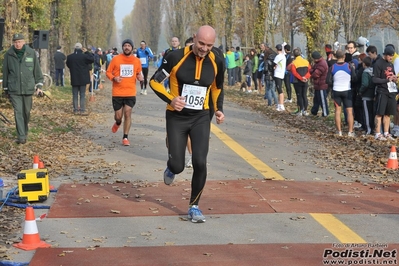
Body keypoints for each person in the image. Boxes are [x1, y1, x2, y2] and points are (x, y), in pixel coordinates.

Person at [149, 25, 225, 223]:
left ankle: (194, 206)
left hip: (201, 117)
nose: (204, 48)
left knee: (200, 161)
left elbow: (217, 87)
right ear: (193, 38)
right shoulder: (175, 57)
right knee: (178, 166)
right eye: (201, 43)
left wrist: (218, 109)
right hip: (176, 116)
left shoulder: (217, 60)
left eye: (209, 45)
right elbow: (155, 82)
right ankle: (171, 165)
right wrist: (170, 99)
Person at [2, 33, 44, 144]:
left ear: (24, 42)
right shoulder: (9, 54)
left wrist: (39, 86)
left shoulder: (31, 53)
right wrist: (5, 89)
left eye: (19, 42)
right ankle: (21, 136)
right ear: (13, 43)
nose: (17, 44)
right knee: (18, 112)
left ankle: (24, 132)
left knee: (26, 112)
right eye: (15, 42)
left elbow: (37, 71)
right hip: (14, 88)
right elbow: (5, 72)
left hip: (28, 88)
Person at [106, 39, 144, 146]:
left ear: (132, 47)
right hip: (117, 92)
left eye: (129, 45)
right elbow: (108, 72)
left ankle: (125, 137)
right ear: (122, 47)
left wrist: (140, 77)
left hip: (130, 92)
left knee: (127, 113)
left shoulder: (136, 61)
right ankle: (118, 123)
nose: (127, 47)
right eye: (125, 45)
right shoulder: (116, 59)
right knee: (118, 116)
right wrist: (114, 78)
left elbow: (139, 74)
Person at [326, 50, 356, 137]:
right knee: (350, 112)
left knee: (337, 111)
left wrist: (334, 83)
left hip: (336, 90)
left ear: (335, 56)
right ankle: (350, 132)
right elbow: (354, 78)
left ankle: (339, 131)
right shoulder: (349, 66)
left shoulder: (332, 67)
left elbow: (327, 80)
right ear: (344, 56)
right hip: (347, 90)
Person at [372, 46, 397, 141]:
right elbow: (374, 79)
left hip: (391, 91)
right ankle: (378, 133)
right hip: (382, 91)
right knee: (379, 113)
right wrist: (386, 80)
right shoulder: (378, 64)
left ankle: (386, 133)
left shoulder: (390, 64)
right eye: (390, 56)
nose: (391, 58)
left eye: (392, 56)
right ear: (385, 55)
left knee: (388, 113)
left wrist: (394, 78)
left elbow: (392, 75)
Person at [66, 42, 94, 116]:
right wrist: (87, 52)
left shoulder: (70, 57)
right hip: (83, 78)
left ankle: (75, 109)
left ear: (74, 48)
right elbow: (92, 59)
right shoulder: (84, 56)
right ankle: (82, 109)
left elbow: (68, 65)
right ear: (81, 48)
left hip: (74, 77)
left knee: (75, 94)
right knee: (82, 94)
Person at [289, 48, 311, 116]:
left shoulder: (294, 63)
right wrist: (305, 77)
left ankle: (300, 110)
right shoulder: (306, 61)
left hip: (297, 81)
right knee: (304, 95)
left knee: (299, 95)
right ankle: (305, 110)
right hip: (305, 81)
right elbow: (310, 71)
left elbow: (294, 72)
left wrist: (301, 78)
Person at [358, 56, 375, 136]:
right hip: (373, 94)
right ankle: (373, 128)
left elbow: (365, 84)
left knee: (367, 113)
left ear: (364, 64)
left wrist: (360, 91)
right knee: (371, 113)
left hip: (366, 95)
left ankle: (368, 129)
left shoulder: (365, 72)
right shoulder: (373, 71)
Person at [310, 51, 329, 117]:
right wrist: (312, 71)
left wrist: (312, 72)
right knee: (316, 99)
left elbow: (316, 74)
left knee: (322, 100)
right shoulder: (317, 63)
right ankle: (314, 111)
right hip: (318, 84)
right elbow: (312, 70)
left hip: (321, 84)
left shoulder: (322, 63)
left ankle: (325, 113)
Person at [273, 44, 286, 111]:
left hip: (277, 74)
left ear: (277, 49)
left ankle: (281, 105)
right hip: (281, 74)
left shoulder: (278, 56)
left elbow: (273, 64)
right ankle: (280, 104)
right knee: (280, 90)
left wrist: (274, 67)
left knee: (279, 90)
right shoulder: (283, 56)